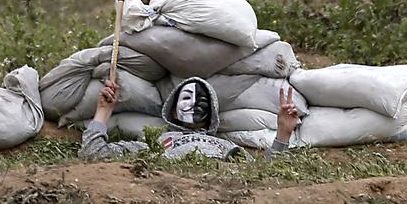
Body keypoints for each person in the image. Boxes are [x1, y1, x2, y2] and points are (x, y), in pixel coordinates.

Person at [77, 76, 299, 161]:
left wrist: (283, 134)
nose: (194, 104)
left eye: (202, 99)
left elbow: (266, 173)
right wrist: (103, 111)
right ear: (172, 111)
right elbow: (93, 154)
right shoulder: (155, 144)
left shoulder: (228, 147)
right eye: (186, 97)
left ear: (212, 112)